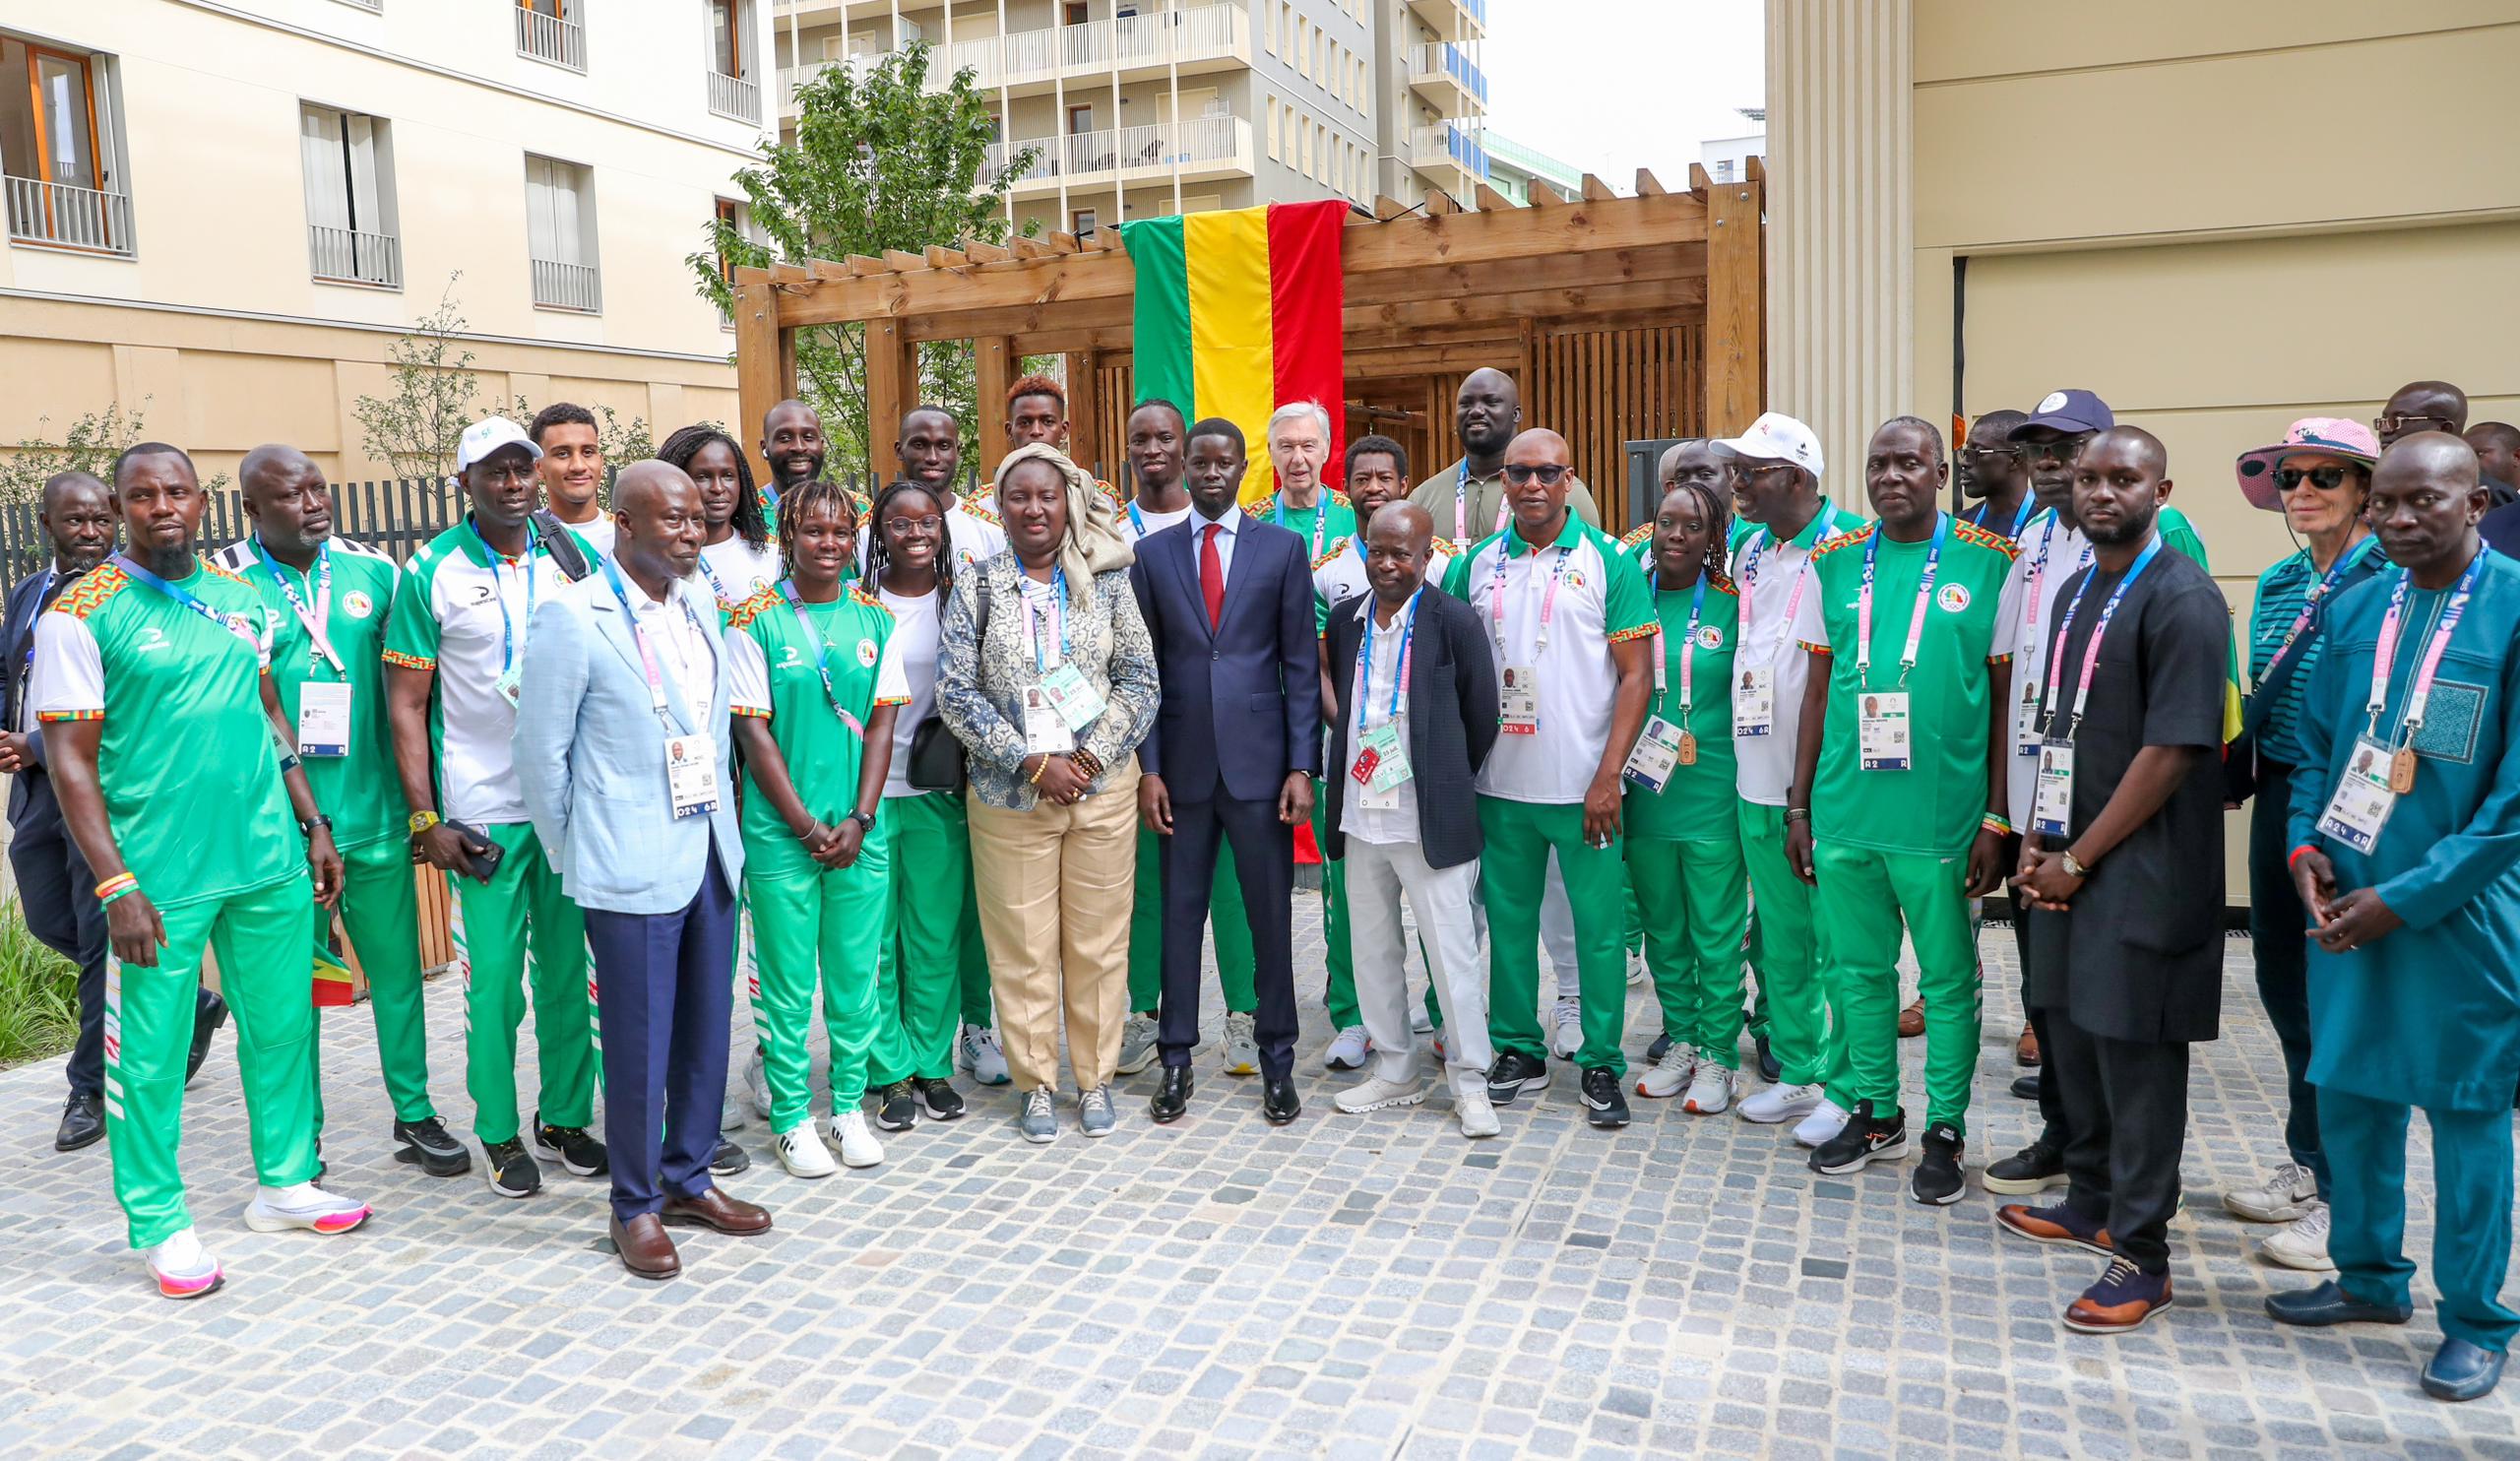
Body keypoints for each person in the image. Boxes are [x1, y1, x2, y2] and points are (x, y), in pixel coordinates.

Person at [33, 442, 370, 1299]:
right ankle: (159, 1222)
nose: (162, 507)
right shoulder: (81, 612)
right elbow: (71, 763)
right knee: (147, 1056)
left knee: (282, 1028)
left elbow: (266, 715)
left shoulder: (241, 599)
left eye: (176, 491)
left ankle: (286, 1184)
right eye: (141, 496)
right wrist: (115, 885)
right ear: (119, 509)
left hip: (265, 862)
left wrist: (313, 822)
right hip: (158, 879)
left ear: (203, 500)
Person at [2270, 432, 2520, 1403]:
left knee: (2466, 1115)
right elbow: (2317, 749)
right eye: (2390, 505)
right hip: (2343, 901)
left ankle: (2476, 1318)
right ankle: (2369, 1276)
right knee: (2353, 1096)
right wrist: (2301, 852)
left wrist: (2404, 898)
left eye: (2431, 501)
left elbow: (2510, 810)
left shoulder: (2510, 607)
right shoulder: (2360, 603)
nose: (2405, 519)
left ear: (2480, 499)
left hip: (2459, 918)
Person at [1994, 426, 2231, 1334]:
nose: (2100, 492)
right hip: (2064, 855)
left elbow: (2173, 748)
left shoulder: (2183, 597)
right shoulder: (2077, 588)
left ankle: (2143, 1254)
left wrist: (2080, 856)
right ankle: (2087, 1198)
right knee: (2072, 1030)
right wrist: (2033, 837)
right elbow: (2062, 726)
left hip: (2141, 869)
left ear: (2160, 489)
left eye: (2121, 478)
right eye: (2089, 477)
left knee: (2135, 1056)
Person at [514, 461, 765, 1280]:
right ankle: (634, 1205)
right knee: (636, 1044)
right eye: (674, 521)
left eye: (697, 519)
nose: (693, 533)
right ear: (624, 522)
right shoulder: (572, 619)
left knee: (705, 1031)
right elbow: (541, 758)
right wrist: (575, 855)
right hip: (626, 863)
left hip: (708, 853)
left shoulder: (700, 602)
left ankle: (689, 1176)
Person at [212, 446, 468, 1178]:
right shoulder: (228, 584)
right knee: (292, 995)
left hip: (379, 816)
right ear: (253, 511)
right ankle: (303, 1137)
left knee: (397, 977)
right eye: (291, 496)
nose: (314, 503)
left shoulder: (375, 573)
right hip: (281, 833)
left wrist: (428, 808)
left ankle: (415, 1115)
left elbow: (422, 692)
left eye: (319, 488)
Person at [1787, 416, 2020, 1205]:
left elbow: (2003, 702)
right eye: (1879, 464)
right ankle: (1877, 1112)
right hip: (1845, 809)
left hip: (1942, 820)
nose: (1892, 477)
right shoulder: (1835, 563)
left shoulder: (1992, 565)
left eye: (1909, 463)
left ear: (1941, 473)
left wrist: (1996, 819)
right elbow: (1817, 692)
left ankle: (1945, 1127)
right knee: (1859, 973)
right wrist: (1798, 807)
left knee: (1949, 980)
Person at [385, 416, 602, 1200]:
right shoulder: (431, 571)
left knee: (570, 975)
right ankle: (500, 1131)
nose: (512, 483)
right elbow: (406, 705)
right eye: (493, 471)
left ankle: (567, 1117)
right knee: (496, 984)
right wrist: (426, 819)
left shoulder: (570, 558)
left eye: (522, 468)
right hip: (481, 813)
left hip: (566, 803)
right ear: (464, 483)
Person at [938, 444, 1159, 1142]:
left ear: (1068, 502)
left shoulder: (1109, 579)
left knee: (1098, 943)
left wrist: (1089, 759)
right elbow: (955, 691)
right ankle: (1036, 1084)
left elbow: (1141, 679)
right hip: (1011, 799)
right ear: (999, 508)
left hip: (1100, 793)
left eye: (1047, 496)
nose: (1034, 508)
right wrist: (1031, 760)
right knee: (1023, 945)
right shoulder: (976, 585)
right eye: (1018, 496)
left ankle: (1093, 1080)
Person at [2, 472, 225, 1153]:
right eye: (77, 522)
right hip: (39, 796)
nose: (93, 533)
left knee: (102, 939)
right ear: (46, 527)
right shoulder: (31, 592)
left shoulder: (133, 599)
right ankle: (192, 1004)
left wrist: (37, 744)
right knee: (48, 918)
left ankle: (90, 1087)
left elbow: (132, 702)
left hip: (107, 790)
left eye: (102, 519)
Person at [1442, 428, 1654, 1130]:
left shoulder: (1609, 562)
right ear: (1503, 481)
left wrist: (1608, 776)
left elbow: (1637, 677)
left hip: (1585, 789)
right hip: (1499, 785)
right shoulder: (1472, 565)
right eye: (1519, 473)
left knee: (1597, 931)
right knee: (1508, 926)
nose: (1532, 485)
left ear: (1570, 480)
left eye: (1547, 473)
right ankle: (1518, 1051)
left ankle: (1599, 1062)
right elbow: (1447, 670)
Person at [2217, 417, 2389, 1269]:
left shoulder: (2390, 576)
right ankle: (2309, 1163)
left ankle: (2349, 1199)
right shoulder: (2282, 580)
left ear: (2364, 488)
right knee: (2282, 982)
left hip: (2362, 805)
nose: (2306, 492)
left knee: (2342, 999)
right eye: (2291, 478)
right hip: (2285, 789)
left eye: (2327, 476)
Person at [1133, 417, 1321, 1127]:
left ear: (1247, 467)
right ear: (1184, 466)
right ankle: (1175, 1058)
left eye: (1225, 462)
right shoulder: (1151, 557)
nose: (1211, 473)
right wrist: (1148, 769)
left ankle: (1278, 1061)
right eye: (1199, 462)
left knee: (1271, 918)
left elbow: (1301, 668)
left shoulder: (1282, 549)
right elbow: (1141, 674)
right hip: (1179, 770)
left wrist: (1302, 765)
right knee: (1180, 920)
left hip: (1260, 769)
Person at [719, 478, 908, 1175]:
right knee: (789, 984)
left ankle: (848, 1109)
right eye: (813, 531)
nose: (828, 543)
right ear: (787, 535)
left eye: (840, 531)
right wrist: (803, 827)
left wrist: (860, 818)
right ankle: (793, 1116)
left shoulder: (874, 619)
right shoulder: (753, 621)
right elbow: (753, 734)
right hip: (781, 837)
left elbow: (884, 724)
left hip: (861, 834)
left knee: (857, 980)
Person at [1319, 503, 1501, 1135]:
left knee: (1451, 954)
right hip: (1360, 814)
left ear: (1428, 557)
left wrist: (1446, 776)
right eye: (1378, 551)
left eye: (1403, 554)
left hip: (1429, 819)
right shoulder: (1346, 622)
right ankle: (1395, 1068)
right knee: (1371, 949)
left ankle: (1470, 1080)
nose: (1389, 564)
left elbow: (1483, 717)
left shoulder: (1454, 620)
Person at [1112, 399, 1260, 1079]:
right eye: (1139, 438)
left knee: (1232, 885)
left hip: (1231, 740)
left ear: (1188, 448)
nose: (1152, 450)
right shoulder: (1114, 533)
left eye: (1164, 438)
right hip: (1149, 737)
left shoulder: (1239, 526)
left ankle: (1245, 1014)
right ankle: (1147, 1013)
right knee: (1150, 885)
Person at [1716, 413, 1852, 1139]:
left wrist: (1809, 797)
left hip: (1824, 788)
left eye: (1753, 469)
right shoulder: (1750, 550)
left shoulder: (1852, 545)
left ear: (1797, 479)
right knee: (1785, 943)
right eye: (1736, 466)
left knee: (1842, 948)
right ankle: (1799, 1071)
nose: (1738, 480)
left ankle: (1850, 1084)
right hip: (1753, 775)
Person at [1979, 414, 2100, 1195]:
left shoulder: (2143, 544)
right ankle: (2062, 1131)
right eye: (2040, 451)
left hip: (2101, 809)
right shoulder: (2028, 546)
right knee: (2046, 981)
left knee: (2099, 988)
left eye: (2069, 450)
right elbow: (2004, 680)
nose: (2052, 464)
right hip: (2033, 803)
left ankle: (2108, 1155)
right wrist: (2001, 814)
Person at [1312, 434, 1452, 1068]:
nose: (1373, 488)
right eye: (1361, 478)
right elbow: (1318, 661)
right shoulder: (1333, 570)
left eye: (1385, 477)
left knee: (1436, 900)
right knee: (1353, 901)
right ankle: (1355, 1017)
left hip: (1423, 767)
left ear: (1404, 483)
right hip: (1353, 757)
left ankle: (1448, 1018)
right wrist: (1351, 729)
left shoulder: (1446, 565)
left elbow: (1468, 677)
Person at [1622, 476, 1749, 1113]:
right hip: (1645, 794)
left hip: (1714, 795)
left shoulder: (1733, 605)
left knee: (1716, 933)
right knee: (1664, 931)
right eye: (1668, 522)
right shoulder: (1630, 600)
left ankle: (1721, 1057)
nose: (1677, 536)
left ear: (1712, 539)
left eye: (1692, 527)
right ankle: (1684, 1041)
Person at [864, 477, 981, 1133]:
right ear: (880, 532)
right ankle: (889, 1073)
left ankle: (934, 1065)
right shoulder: (859, 602)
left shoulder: (957, 603)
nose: (915, 534)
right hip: (871, 798)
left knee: (934, 938)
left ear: (943, 533)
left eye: (927, 524)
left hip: (937, 793)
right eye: (901, 524)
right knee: (876, 943)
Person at [1409, 368, 1603, 543]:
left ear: (1516, 414)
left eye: (1491, 402)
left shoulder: (1565, 493)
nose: (1476, 411)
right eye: (1466, 404)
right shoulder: (1423, 498)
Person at [863, 406, 1009, 577]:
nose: (932, 457)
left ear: (957, 451)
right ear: (899, 450)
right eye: (919, 445)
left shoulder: (991, 530)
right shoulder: (868, 530)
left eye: (944, 446)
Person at [662, 424, 780, 611]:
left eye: (728, 476)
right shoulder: (660, 562)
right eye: (702, 477)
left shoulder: (771, 555)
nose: (717, 487)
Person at [531, 403, 613, 559]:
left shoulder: (630, 536)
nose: (578, 466)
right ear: (539, 468)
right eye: (562, 454)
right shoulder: (525, 538)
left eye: (588, 452)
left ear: (601, 463)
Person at [1959, 409, 2034, 540]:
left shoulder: (2049, 524)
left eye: (1977, 452)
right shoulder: (1961, 526)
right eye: (1966, 452)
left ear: (2016, 460)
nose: (1964, 462)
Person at [759, 399, 829, 515]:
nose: (799, 447)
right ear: (765, 448)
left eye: (808, 437)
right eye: (784, 438)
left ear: (821, 445)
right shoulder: (745, 516)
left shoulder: (857, 511)